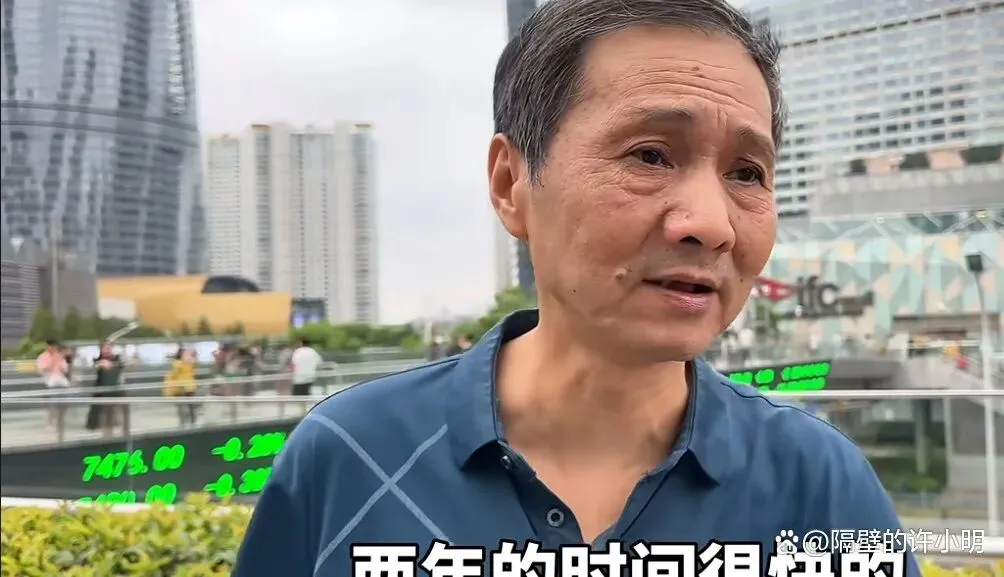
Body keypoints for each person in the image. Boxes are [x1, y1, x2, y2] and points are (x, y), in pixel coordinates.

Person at [234, 1, 920, 575]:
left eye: (747, 173)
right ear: (511, 184)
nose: (712, 225)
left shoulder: (821, 483)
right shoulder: (349, 456)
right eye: (650, 155)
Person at [87, 342, 124, 437]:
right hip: (100, 389)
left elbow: (120, 366)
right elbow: (95, 366)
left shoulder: (116, 359)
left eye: (108, 348)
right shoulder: (98, 360)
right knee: (99, 410)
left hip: (113, 389)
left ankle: (112, 428)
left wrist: (110, 365)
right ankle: (99, 427)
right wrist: (101, 364)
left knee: (112, 410)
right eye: (104, 348)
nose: (107, 350)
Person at [36, 339, 70, 428]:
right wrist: (54, 361)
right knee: (53, 404)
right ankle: (49, 422)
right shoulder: (43, 357)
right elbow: (43, 369)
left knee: (63, 403)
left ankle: (59, 421)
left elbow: (65, 369)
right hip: (50, 382)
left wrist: (62, 361)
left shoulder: (60, 356)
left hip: (61, 382)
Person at [164, 347, 199, 427]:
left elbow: (174, 374)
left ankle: (184, 423)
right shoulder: (190, 362)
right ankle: (192, 422)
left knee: (182, 406)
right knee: (190, 405)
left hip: (182, 387)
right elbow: (193, 372)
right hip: (188, 386)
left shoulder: (177, 363)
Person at [289, 338, 323, 411]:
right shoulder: (313, 351)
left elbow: (294, 364)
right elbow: (319, 362)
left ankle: (302, 410)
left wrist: (292, 375)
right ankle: (305, 409)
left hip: (299, 377)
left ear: (301, 343)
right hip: (310, 376)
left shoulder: (298, 351)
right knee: (306, 393)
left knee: (298, 395)